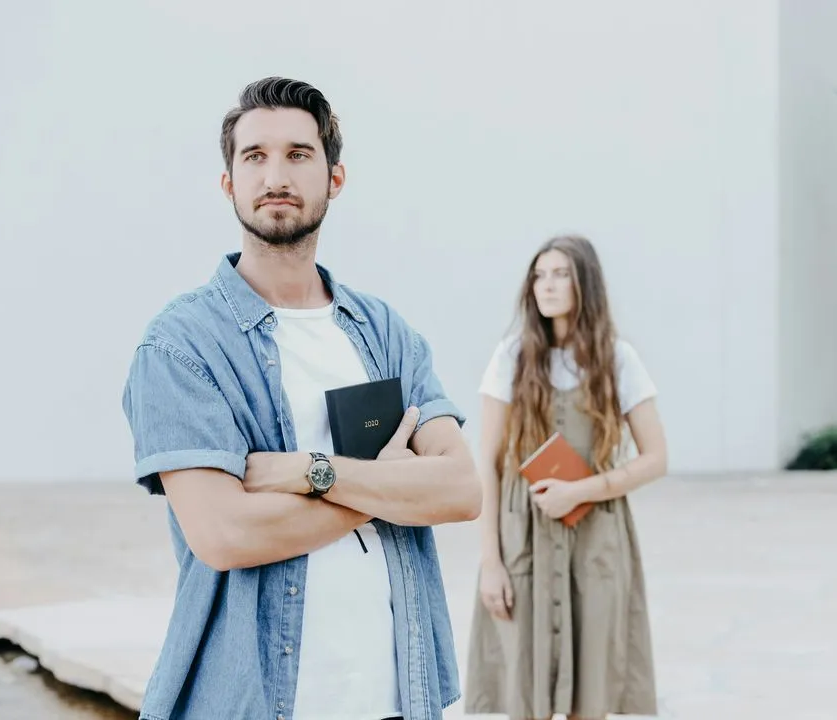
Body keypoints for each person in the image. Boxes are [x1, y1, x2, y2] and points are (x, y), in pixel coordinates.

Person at [122, 76, 481, 720]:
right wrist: (385, 489)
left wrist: (311, 472)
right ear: (229, 183)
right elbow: (225, 534)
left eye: (298, 153)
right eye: (254, 156)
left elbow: (459, 491)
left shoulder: (385, 332)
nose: (274, 175)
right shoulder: (181, 345)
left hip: (398, 697)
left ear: (334, 178)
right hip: (252, 703)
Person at [464, 235, 668, 720]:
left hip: (595, 535)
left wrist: (581, 490)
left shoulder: (617, 359)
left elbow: (656, 457)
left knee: (589, 696)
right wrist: (490, 562)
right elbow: (488, 466)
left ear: (585, 285)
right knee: (525, 693)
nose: (546, 286)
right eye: (539, 275)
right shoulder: (511, 357)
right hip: (523, 537)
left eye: (560, 275)